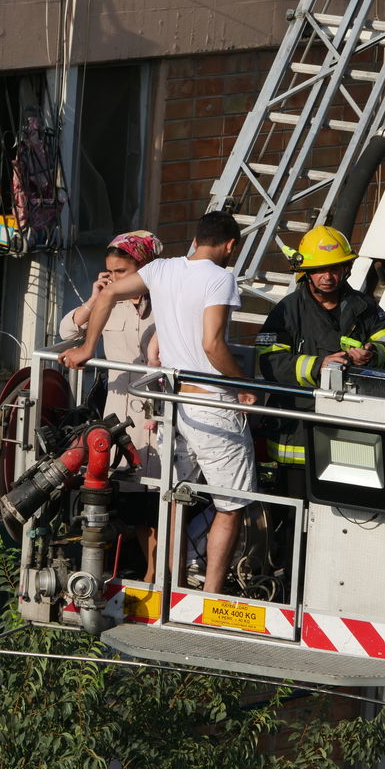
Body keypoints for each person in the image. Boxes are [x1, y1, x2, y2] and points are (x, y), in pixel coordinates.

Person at [61, 211, 256, 594]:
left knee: (174, 498)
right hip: (212, 404)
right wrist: (243, 386)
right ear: (230, 245)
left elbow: (110, 294)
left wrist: (87, 347)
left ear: (196, 240)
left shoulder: (163, 269)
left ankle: (170, 586)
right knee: (232, 505)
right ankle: (209, 598)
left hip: (174, 405)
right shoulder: (221, 278)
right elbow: (213, 344)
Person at [255, 225, 385, 493]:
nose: (328, 276)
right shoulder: (287, 311)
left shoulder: (364, 308)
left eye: (334, 268)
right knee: (292, 522)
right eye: (320, 269)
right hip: (296, 438)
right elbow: (269, 361)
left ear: (346, 269)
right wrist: (317, 366)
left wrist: (373, 354)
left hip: (350, 431)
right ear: (307, 272)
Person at [59, 230, 163, 582]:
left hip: (159, 413)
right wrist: (95, 297)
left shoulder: (168, 299)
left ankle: (156, 575)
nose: (117, 278)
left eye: (123, 271)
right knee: (132, 500)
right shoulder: (110, 302)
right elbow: (67, 332)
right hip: (120, 411)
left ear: (145, 267)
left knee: (158, 500)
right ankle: (148, 571)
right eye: (111, 272)